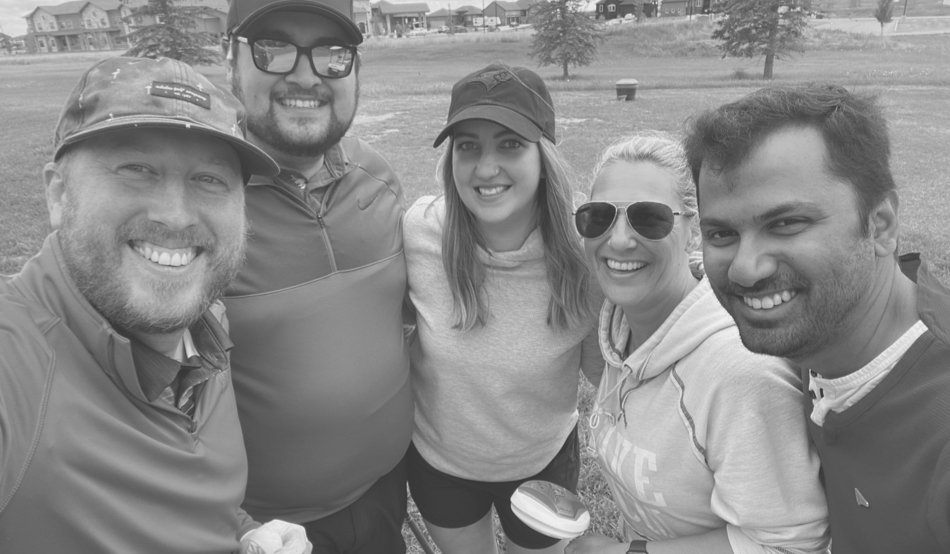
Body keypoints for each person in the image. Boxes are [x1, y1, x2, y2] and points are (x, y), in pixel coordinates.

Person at [0, 56, 311, 553]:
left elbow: (203, 506)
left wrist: (247, 532)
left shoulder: (205, 327)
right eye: (137, 169)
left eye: (210, 179)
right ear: (58, 194)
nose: (174, 215)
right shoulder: (15, 364)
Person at [684, 84, 950, 554]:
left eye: (786, 224)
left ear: (881, 225)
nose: (746, 269)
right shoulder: (831, 328)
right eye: (722, 233)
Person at [565, 133, 830, 554]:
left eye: (649, 218)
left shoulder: (740, 374)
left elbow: (789, 545)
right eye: (597, 217)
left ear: (695, 230)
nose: (616, 240)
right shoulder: (624, 328)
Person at [221, 0, 414, 551]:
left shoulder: (377, 178)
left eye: (333, 54)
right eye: (273, 48)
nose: (306, 75)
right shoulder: (202, 205)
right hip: (270, 531)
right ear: (230, 62)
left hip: (384, 494)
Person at [404, 63, 602, 554]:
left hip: (543, 464)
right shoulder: (417, 233)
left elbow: (610, 377)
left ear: (544, 155)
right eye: (468, 145)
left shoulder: (588, 255)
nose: (485, 167)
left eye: (510, 144)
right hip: (440, 464)